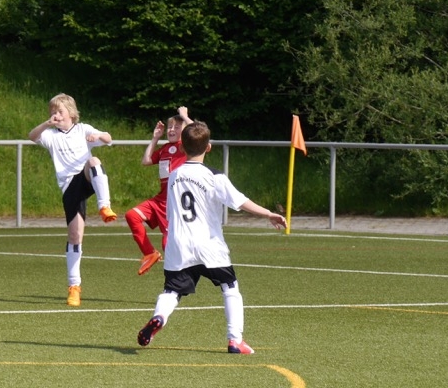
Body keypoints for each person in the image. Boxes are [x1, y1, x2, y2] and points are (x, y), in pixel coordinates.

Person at [137, 121, 287, 354]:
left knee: (172, 291)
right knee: (230, 286)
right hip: (208, 245)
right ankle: (235, 340)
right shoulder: (214, 176)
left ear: (182, 148)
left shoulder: (174, 175)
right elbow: (240, 201)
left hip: (179, 245)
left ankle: (159, 317)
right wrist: (268, 214)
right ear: (208, 147)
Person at [28, 93, 117, 307]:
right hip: (70, 186)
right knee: (75, 236)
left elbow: (108, 138)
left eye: (60, 111)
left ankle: (104, 206)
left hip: (85, 177)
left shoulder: (83, 129)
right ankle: (74, 287)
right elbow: (32, 136)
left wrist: (98, 136)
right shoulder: (51, 135)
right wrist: (46, 123)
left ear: (71, 113)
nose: (56, 115)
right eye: (53, 112)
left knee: (94, 161)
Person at [125, 107, 193, 275]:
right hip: (160, 200)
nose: (171, 130)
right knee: (132, 215)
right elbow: (146, 161)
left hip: (175, 203)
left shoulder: (187, 147)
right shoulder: (164, 149)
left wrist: (185, 116)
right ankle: (150, 253)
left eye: (177, 127)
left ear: (185, 131)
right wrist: (155, 138)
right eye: (170, 127)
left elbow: (199, 134)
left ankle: (180, 275)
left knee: (167, 243)